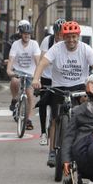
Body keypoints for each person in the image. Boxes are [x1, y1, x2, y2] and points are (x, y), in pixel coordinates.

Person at [32, 21, 93, 167]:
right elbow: (43, 63)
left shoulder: (86, 49)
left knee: (86, 115)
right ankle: (52, 152)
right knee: (54, 119)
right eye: (68, 37)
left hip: (79, 87)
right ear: (63, 37)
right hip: (59, 87)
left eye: (74, 36)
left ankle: (86, 146)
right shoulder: (56, 48)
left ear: (78, 36)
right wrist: (36, 78)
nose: (71, 40)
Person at [6, 20, 41, 130]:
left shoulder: (34, 44)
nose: (27, 36)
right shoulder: (16, 44)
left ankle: (28, 120)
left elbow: (37, 61)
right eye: (25, 34)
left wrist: (38, 77)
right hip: (18, 71)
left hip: (30, 73)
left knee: (30, 95)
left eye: (28, 34)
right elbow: (11, 61)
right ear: (21, 34)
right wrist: (9, 71)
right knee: (14, 81)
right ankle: (15, 98)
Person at [37, 18, 66, 146]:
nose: (60, 36)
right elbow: (42, 60)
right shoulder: (47, 41)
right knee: (43, 103)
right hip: (47, 76)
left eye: (62, 33)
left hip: (60, 79)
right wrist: (37, 79)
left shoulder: (68, 42)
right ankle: (43, 132)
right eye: (58, 33)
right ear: (54, 33)